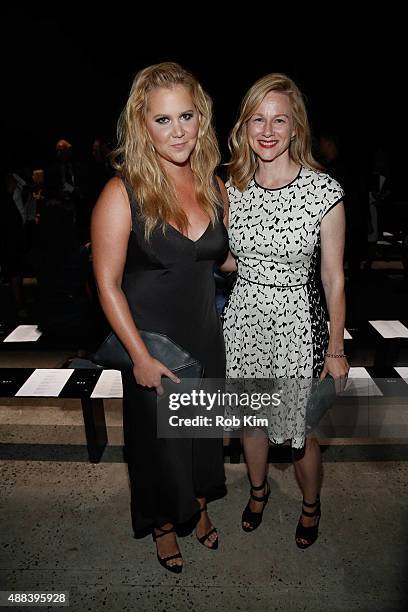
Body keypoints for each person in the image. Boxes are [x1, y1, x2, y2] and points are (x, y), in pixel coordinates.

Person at [91, 62, 229, 573]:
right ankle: (163, 525)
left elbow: (224, 259)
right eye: (163, 120)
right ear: (141, 125)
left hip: (205, 335)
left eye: (186, 116)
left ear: (202, 118)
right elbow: (106, 283)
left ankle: (196, 506)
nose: (178, 131)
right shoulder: (120, 192)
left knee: (198, 435)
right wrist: (140, 357)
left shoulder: (215, 186)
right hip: (152, 344)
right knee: (157, 447)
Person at [222, 73, 349, 548]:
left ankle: (310, 505)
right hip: (243, 321)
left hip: (298, 325)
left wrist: (334, 347)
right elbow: (233, 259)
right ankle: (258, 493)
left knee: (298, 433)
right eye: (258, 118)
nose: (268, 130)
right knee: (253, 424)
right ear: (245, 126)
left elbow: (334, 277)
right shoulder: (231, 187)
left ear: (297, 127)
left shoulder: (323, 191)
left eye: (280, 119)